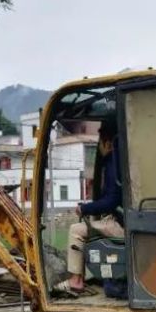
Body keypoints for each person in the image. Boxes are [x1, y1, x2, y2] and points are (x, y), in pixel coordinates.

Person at [56, 121, 123, 294]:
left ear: (107, 143)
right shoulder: (123, 162)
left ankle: (76, 280)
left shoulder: (113, 164)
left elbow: (111, 200)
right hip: (124, 221)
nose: (99, 147)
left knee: (76, 230)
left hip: (120, 225)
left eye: (99, 143)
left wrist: (85, 209)